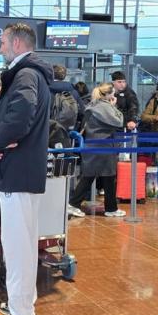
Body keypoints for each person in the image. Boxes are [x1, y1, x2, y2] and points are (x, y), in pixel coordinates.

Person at [0, 23, 52, 315]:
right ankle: (23, 305)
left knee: (18, 246)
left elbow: (22, 111)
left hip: (17, 172)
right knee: (21, 243)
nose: (0, 47)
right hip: (22, 172)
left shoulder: (25, 75)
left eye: (3, 41)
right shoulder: (31, 74)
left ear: (18, 42)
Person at [67, 82, 125, 218]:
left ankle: (108, 207)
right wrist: (113, 105)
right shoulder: (104, 107)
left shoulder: (93, 105)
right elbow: (119, 121)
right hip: (104, 146)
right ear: (109, 94)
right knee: (106, 177)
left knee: (93, 176)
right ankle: (109, 208)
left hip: (94, 145)